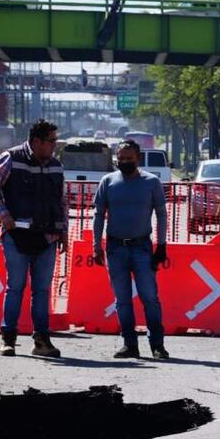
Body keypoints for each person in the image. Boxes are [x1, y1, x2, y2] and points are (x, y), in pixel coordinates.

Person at [0, 118, 68, 358]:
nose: (54, 145)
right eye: (51, 141)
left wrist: (63, 232)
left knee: (41, 291)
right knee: (15, 288)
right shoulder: (11, 158)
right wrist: (4, 215)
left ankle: (42, 341)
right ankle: (8, 340)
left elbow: (61, 201)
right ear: (36, 141)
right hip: (17, 236)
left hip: (47, 238)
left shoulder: (55, 165)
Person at [92, 139, 169, 360]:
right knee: (122, 300)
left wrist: (161, 246)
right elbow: (98, 216)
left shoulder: (151, 182)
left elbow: (162, 214)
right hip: (115, 248)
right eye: (121, 158)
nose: (124, 162)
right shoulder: (107, 182)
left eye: (129, 158)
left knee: (150, 297)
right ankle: (129, 344)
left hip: (142, 248)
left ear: (138, 158)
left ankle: (157, 345)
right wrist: (96, 246)